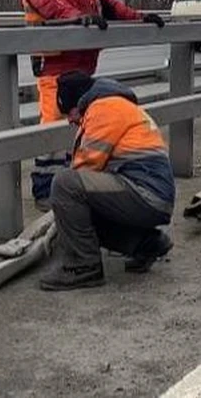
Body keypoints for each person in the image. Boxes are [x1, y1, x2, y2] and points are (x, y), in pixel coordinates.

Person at [39, 70, 175, 291]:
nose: (71, 120)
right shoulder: (114, 104)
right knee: (82, 211)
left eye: (70, 113)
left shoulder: (104, 109)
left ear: (79, 100)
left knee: (64, 184)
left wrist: (61, 218)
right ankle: (146, 243)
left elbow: (83, 169)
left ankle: (83, 267)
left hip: (145, 193)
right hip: (150, 193)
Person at [19, 0, 165, 124]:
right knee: (53, 130)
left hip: (83, 68)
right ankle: (50, 157)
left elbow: (109, 4)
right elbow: (49, 3)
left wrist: (139, 17)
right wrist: (78, 17)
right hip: (54, 68)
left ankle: (77, 156)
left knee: (83, 127)